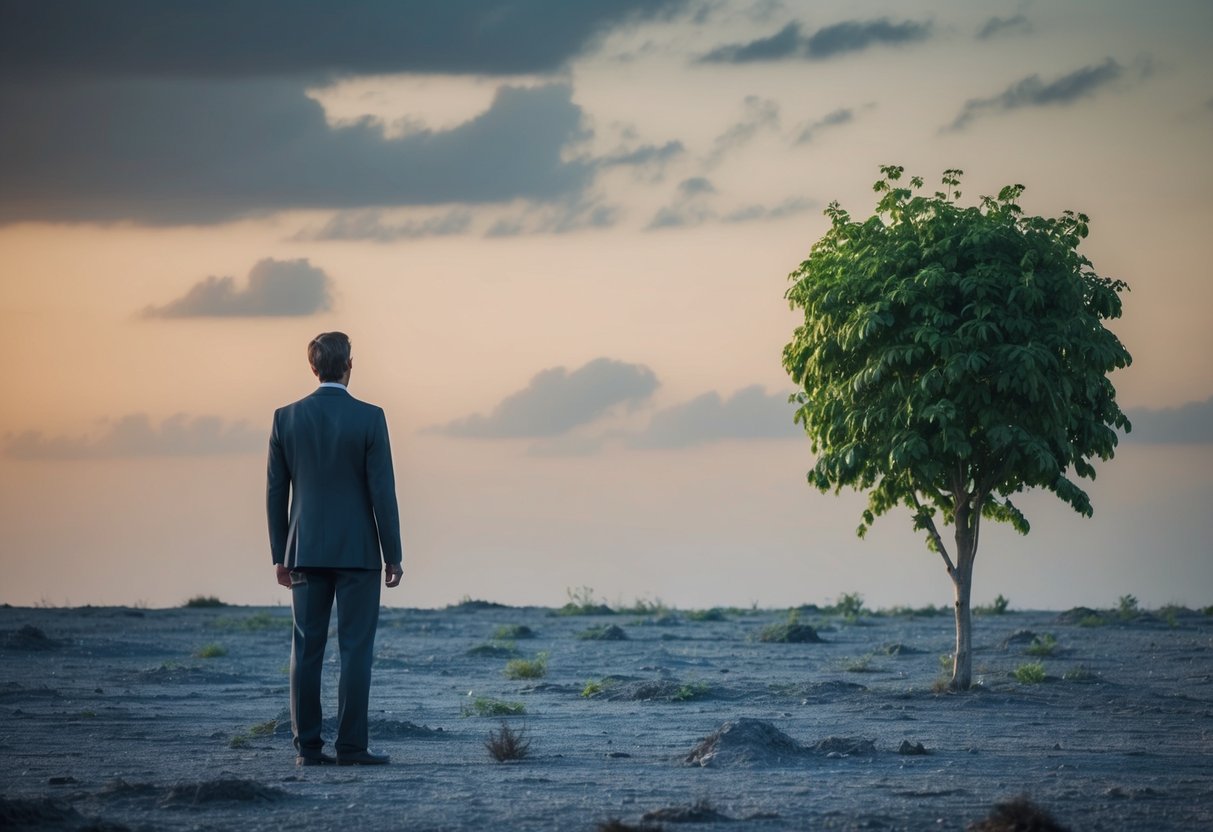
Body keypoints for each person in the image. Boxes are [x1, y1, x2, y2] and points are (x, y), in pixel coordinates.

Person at [266, 331, 404, 766]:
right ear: (350, 365)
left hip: (303, 550)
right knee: (355, 650)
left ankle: (307, 749)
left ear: (312, 368)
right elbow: (383, 491)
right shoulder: (370, 417)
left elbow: (275, 493)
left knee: (305, 650)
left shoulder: (285, 417)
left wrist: (279, 554)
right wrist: (393, 553)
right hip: (359, 553)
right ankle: (351, 747)